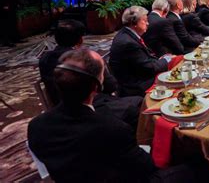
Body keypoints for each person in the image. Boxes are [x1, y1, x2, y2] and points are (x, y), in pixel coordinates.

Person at [28, 49, 159, 182]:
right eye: (103, 74)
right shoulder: (113, 129)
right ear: (97, 86)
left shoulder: (36, 126)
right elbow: (147, 167)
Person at [38, 20, 142, 127]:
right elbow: (110, 86)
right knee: (137, 105)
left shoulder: (44, 58)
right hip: (88, 105)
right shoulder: (84, 59)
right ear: (80, 40)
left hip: (60, 106)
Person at [109, 6, 170, 97]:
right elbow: (148, 68)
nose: (148, 23)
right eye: (144, 21)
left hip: (137, 76)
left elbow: (144, 61)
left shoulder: (126, 33)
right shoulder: (128, 43)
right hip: (135, 86)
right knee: (172, 80)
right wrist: (166, 60)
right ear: (134, 23)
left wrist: (160, 60)